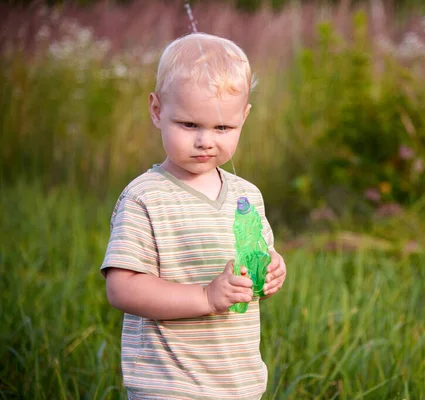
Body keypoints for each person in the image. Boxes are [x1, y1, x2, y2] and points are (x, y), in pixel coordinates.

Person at [100, 32, 287, 400]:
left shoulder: (247, 196)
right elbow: (121, 288)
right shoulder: (145, 197)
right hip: (170, 383)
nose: (206, 141)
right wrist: (205, 296)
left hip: (238, 380)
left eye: (223, 128)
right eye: (189, 125)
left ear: (243, 117)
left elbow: (252, 271)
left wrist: (272, 269)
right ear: (157, 111)